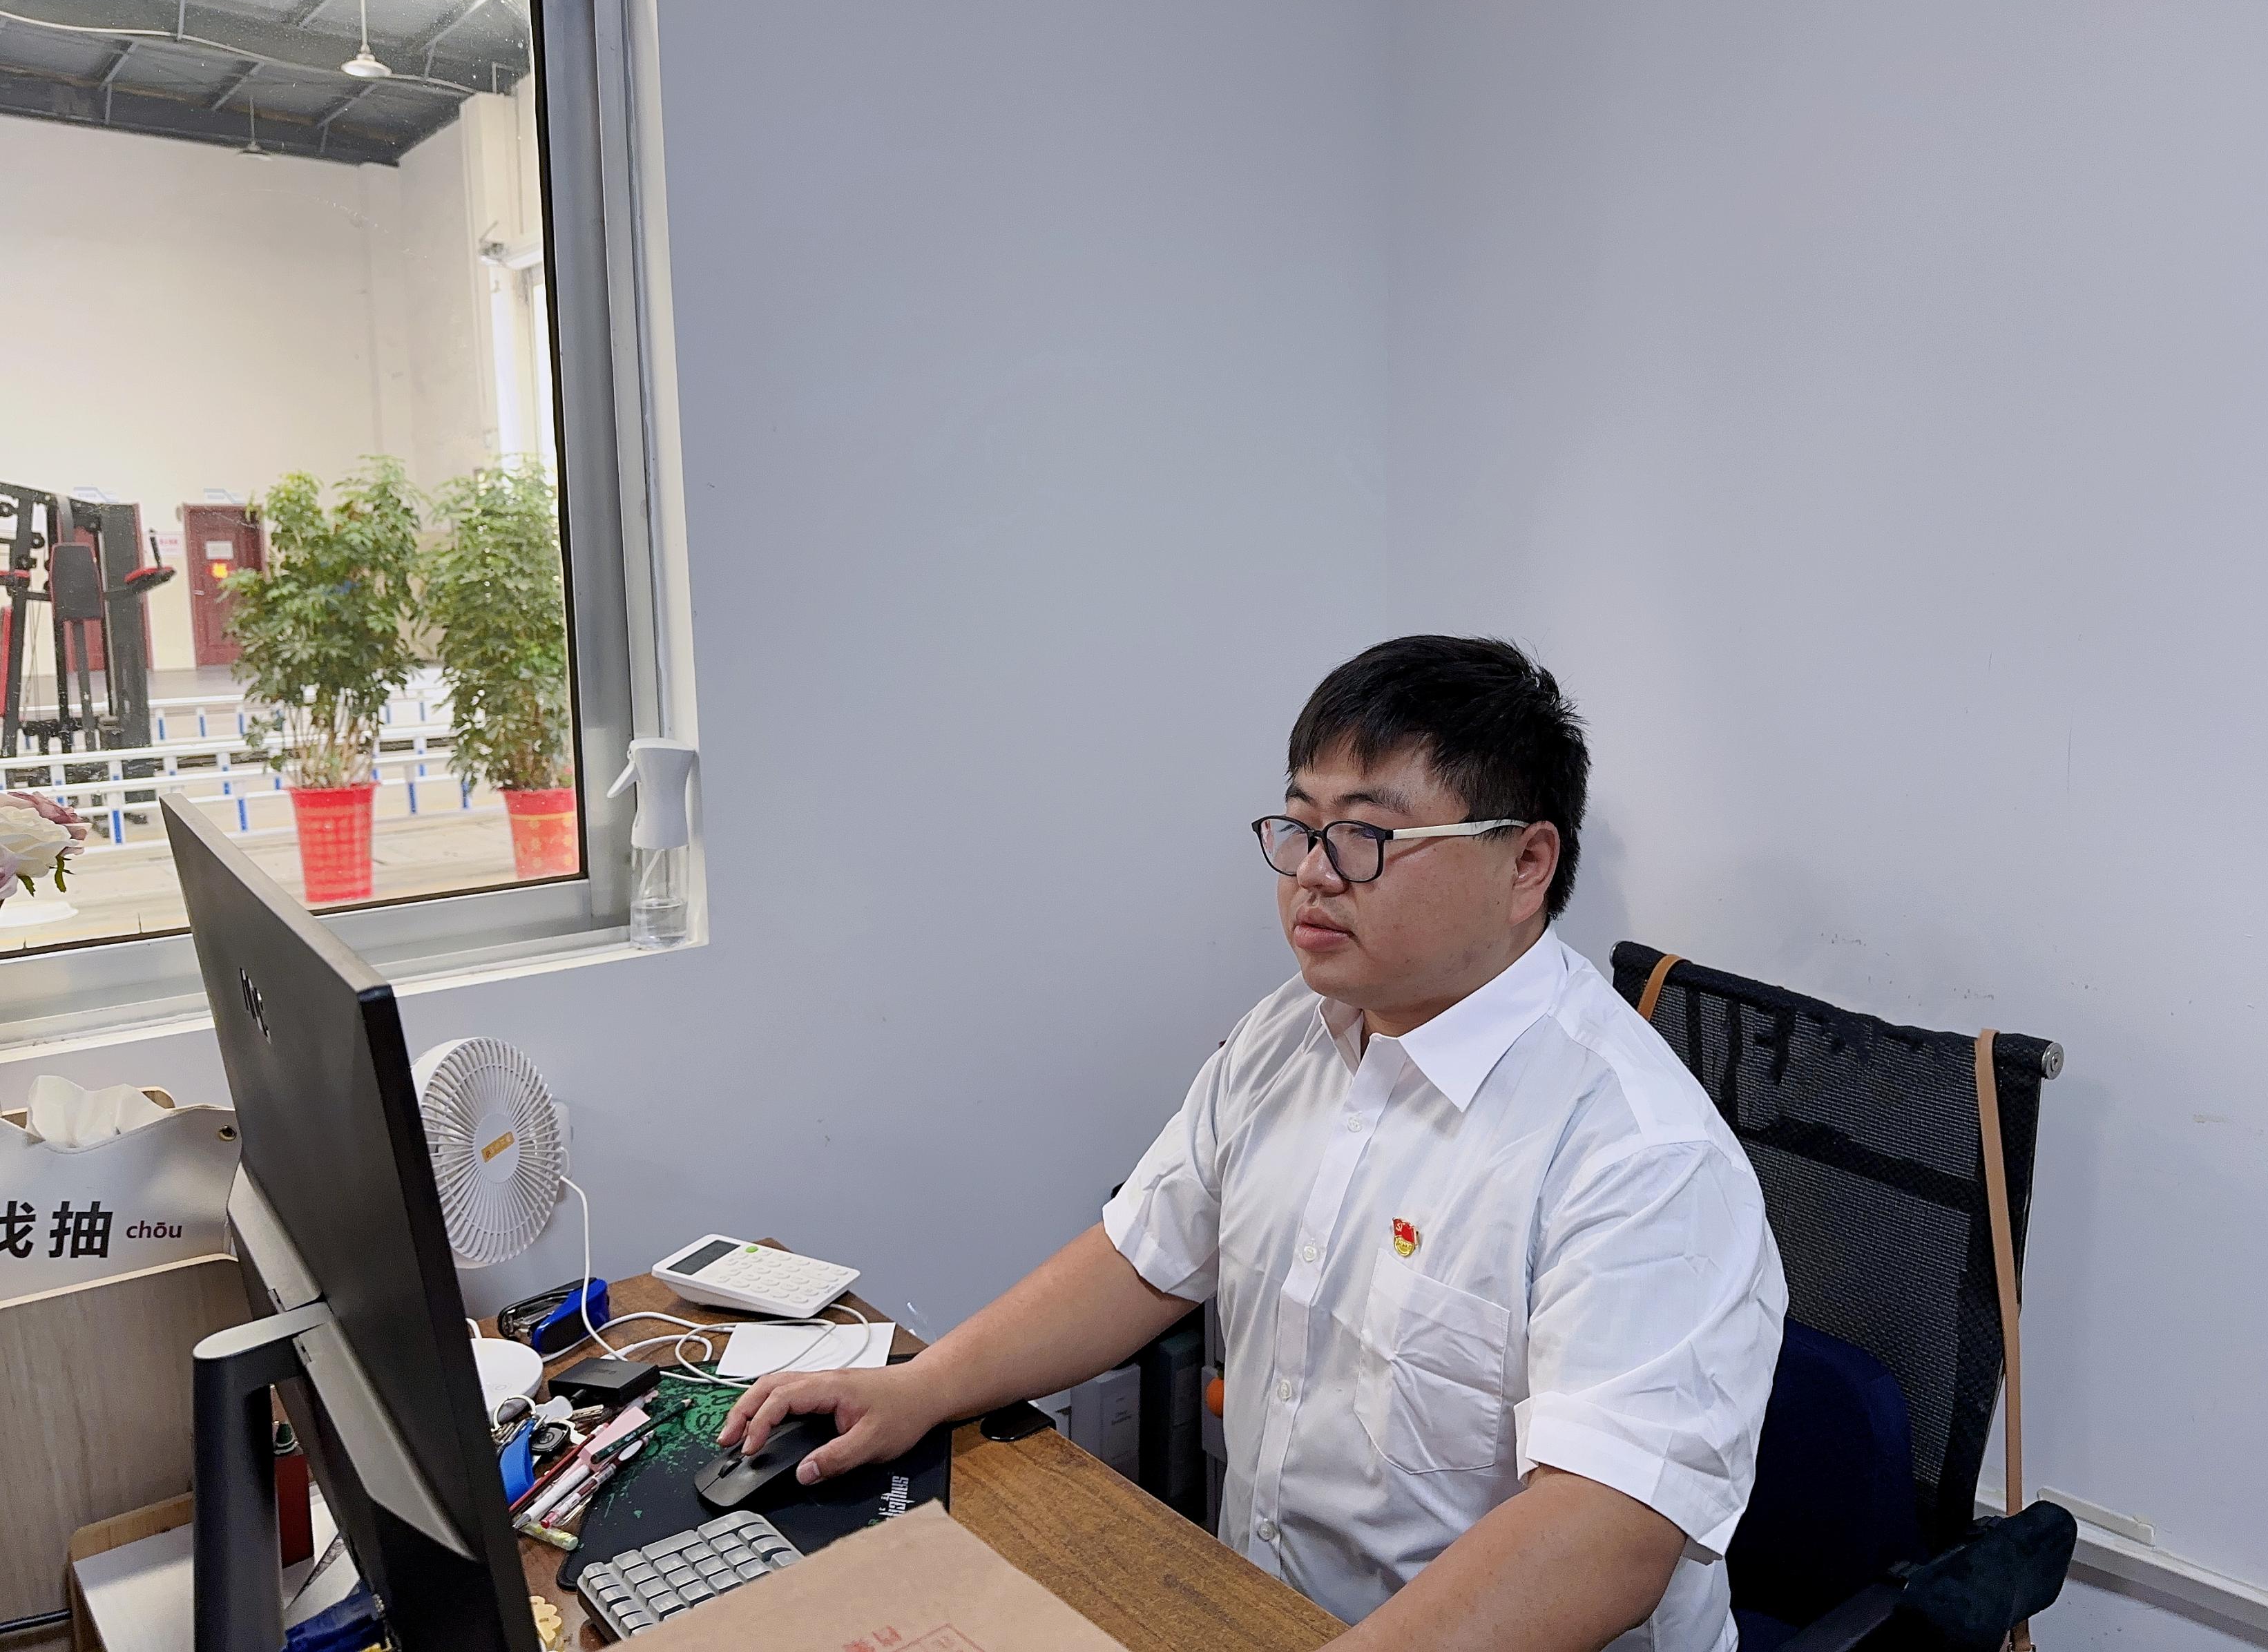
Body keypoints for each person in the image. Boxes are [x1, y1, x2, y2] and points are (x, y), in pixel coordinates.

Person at [722, 636, 1787, 1651]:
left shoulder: (1642, 1156)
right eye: (1300, 828)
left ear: (1526, 863)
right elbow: (1145, 1253)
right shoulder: (1294, 1029)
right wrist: (923, 1387)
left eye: (1365, 836)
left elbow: (1602, 1541)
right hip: (1254, 1612)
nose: (1313, 874)